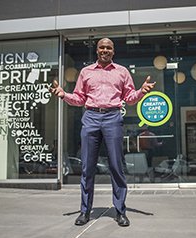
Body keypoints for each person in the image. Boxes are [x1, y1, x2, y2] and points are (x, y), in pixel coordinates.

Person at [50, 38, 155, 227]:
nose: (105, 50)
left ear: (113, 51)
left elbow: (130, 99)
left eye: (108, 48)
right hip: (90, 117)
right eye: (102, 47)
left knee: (116, 165)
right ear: (97, 51)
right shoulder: (86, 72)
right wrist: (64, 95)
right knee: (87, 168)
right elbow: (79, 99)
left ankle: (120, 211)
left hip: (113, 117)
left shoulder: (122, 72)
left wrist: (141, 92)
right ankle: (85, 211)